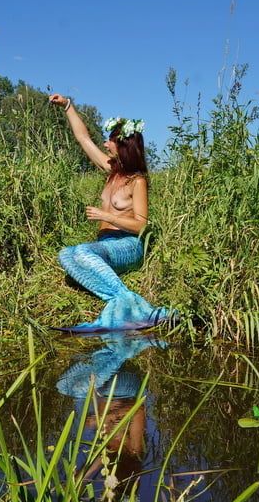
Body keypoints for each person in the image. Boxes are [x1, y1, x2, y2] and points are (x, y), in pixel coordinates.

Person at [49, 93, 169, 331]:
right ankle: (121, 299)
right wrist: (68, 106)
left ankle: (130, 304)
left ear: (123, 146)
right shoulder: (110, 170)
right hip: (106, 244)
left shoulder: (137, 181)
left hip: (128, 245)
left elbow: (142, 226)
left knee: (82, 251)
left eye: (110, 141)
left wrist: (108, 217)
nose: (105, 144)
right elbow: (83, 139)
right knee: (66, 254)